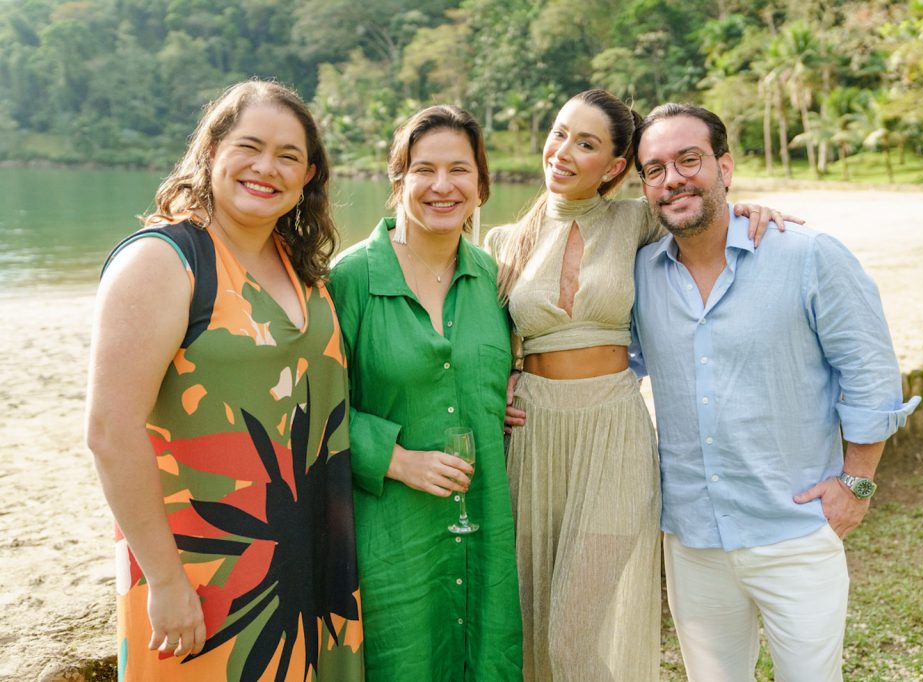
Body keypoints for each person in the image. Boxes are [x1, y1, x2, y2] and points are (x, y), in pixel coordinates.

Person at [485, 89, 789, 681]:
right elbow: (484, 347)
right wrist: (499, 387)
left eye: (587, 144)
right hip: (531, 442)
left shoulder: (638, 222)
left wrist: (750, 209)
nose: (562, 152)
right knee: (532, 629)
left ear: (616, 167)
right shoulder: (501, 241)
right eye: (559, 132)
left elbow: (696, 210)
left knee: (575, 628)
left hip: (614, 438)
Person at [629, 102, 921, 681]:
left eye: (690, 160)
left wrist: (856, 483)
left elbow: (870, 372)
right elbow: (609, 359)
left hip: (795, 529)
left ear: (725, 166)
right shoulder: (638, 273)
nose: (673, 179)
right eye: (655, 169)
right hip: (692, 538)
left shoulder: (808, 255)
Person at [85, 80, 364, 681]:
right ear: (211, 150)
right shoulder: (164, 261)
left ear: (309, 175)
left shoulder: (301, 267)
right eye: (250, 146)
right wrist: (163, 578)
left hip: (305, 561)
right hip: (205, 566)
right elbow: (111, 431)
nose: (267, 168)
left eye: (289, 156)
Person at [327, 105, 522, 680]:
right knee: (403, 659)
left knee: (486, 656)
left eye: (459, 170)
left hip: (484, 521)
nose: (443, 186)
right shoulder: (352, 277)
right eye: (424, 170)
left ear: (481, 184)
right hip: (392, 534)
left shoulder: (492, 277)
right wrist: (393, 458)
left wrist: (511, 386)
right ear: (398, 181)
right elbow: (314, 404)